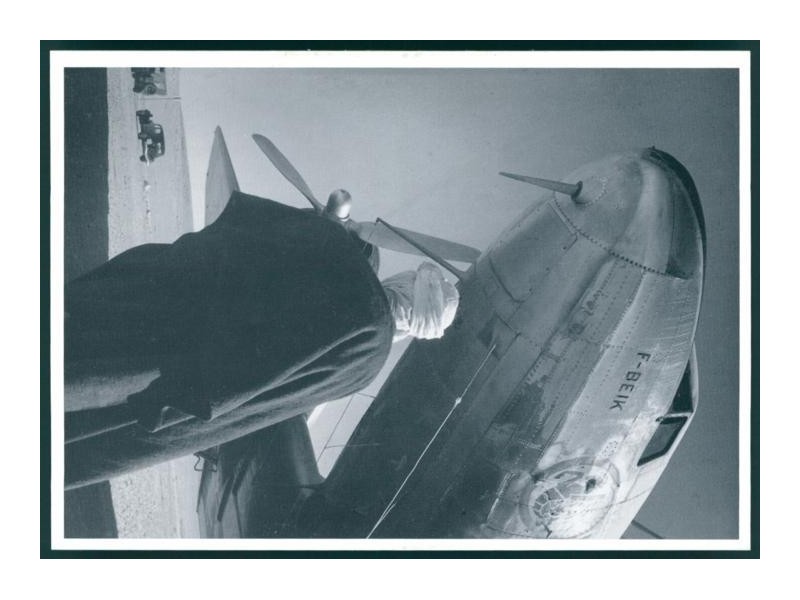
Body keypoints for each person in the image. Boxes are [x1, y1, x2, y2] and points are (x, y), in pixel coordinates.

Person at [64, 191, 459, 489]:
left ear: (406, 282)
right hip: (181, 401)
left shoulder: (350, 272)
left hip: (162, 338)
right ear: (416, 328)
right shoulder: (369, 364)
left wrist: (330, 227)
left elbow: (247, 240)